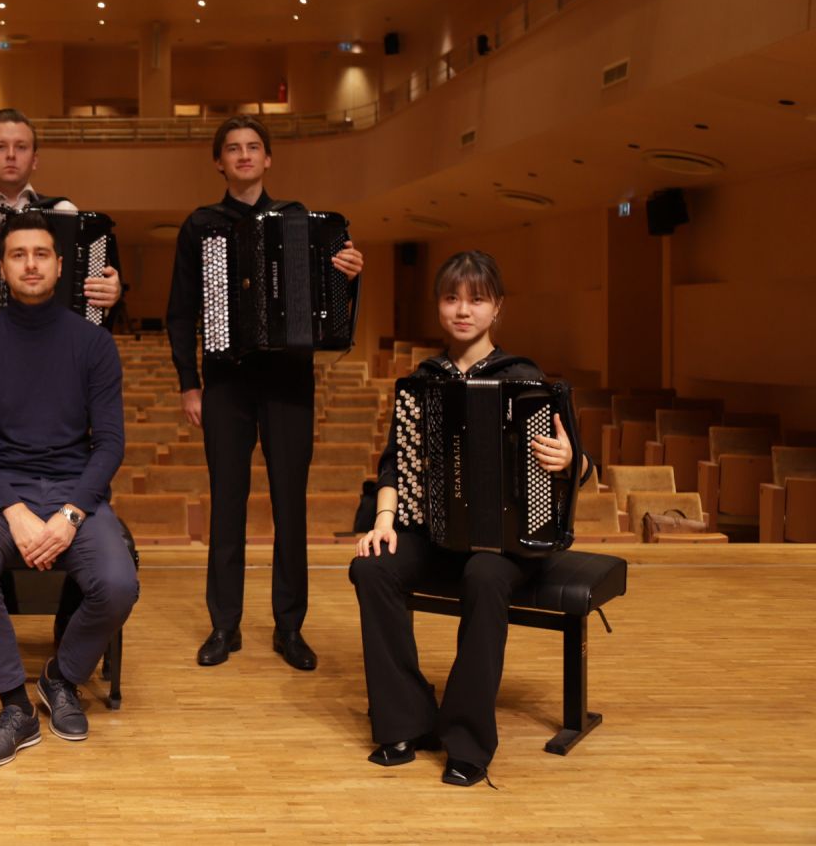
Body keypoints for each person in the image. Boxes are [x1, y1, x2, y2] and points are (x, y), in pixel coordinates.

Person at [350, 250, 594, 786]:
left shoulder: (525, 379)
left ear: (496, 307)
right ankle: (405, 721)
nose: (463, 310)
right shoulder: (422, 383)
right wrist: (384, 521)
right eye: (451, 298)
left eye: (476, 300)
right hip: (436, 534)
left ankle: (466, 739)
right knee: (372, 568)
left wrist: (570, 459)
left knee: (484, 575)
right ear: (438, 306)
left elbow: (579, 465)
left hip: (508, 543)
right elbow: (395, 462)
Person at [165, 115, 364, 670]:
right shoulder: (201, 226)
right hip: (226, 380)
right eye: (233, 148)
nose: (244, 155)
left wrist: (348, 276)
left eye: (254, 147)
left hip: (287, 381)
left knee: (289, 505)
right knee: (226, 504)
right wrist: (189, 382)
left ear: (268, 158)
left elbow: (327, 305)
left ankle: (290, 627)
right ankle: (224, 625)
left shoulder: (300, 220)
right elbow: (180, 312)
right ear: (219, 162)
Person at [0, 212, 137, 768]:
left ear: (59, 265)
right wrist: (14, 510)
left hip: (75, 491)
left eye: (41, 254)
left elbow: (110, 444)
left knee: (118, 583)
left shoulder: (94, 344)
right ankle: (15, 707)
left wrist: (72, 514)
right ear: (2, 267)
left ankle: (62, 677)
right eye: (18, 254)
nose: (30, 264)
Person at [0, 107, 122, 437]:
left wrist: (110, 294)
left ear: (35, 159)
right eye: (0, 146)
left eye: (21, 147)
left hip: (58, 368)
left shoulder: (65, 214)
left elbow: (87, 302)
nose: (11, 155)